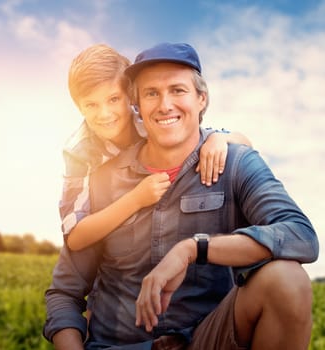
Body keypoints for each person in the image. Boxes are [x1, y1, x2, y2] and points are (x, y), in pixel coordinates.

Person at [44, 43, 318, 350]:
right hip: (117, 344)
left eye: (177, 90)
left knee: (287, 280)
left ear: (202, 99)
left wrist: (194, 249)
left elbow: (300, 236)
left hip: (206, 339)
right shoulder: (95, 172)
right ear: (138, 103)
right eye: (151, 93)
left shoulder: (233, 161)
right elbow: (65, 289)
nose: (164, 105)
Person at [60, 44, 252, 251]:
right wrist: (135, 199)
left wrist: (219, 139)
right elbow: (75, 237)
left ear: (132, 98)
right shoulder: (79, 151)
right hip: (120, 234)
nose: (105, 114)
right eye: (91, 105)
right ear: (79, 107)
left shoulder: (152, 121)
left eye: (113, 99)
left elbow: (242, 143)